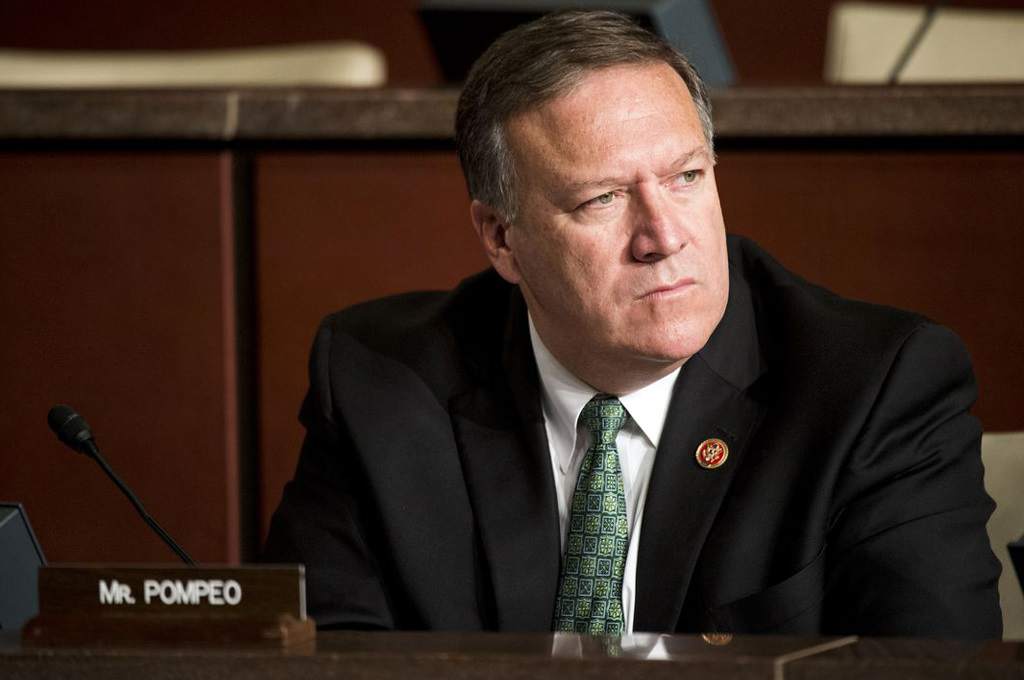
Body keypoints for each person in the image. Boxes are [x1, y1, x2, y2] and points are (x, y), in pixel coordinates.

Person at [263, 10, 1001, 637]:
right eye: (603, 199)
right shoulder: (380, 384)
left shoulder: (875, 389)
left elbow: (931, 668)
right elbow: (318, 659)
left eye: (686, 177)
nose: (663, 236)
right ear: (501, 238)